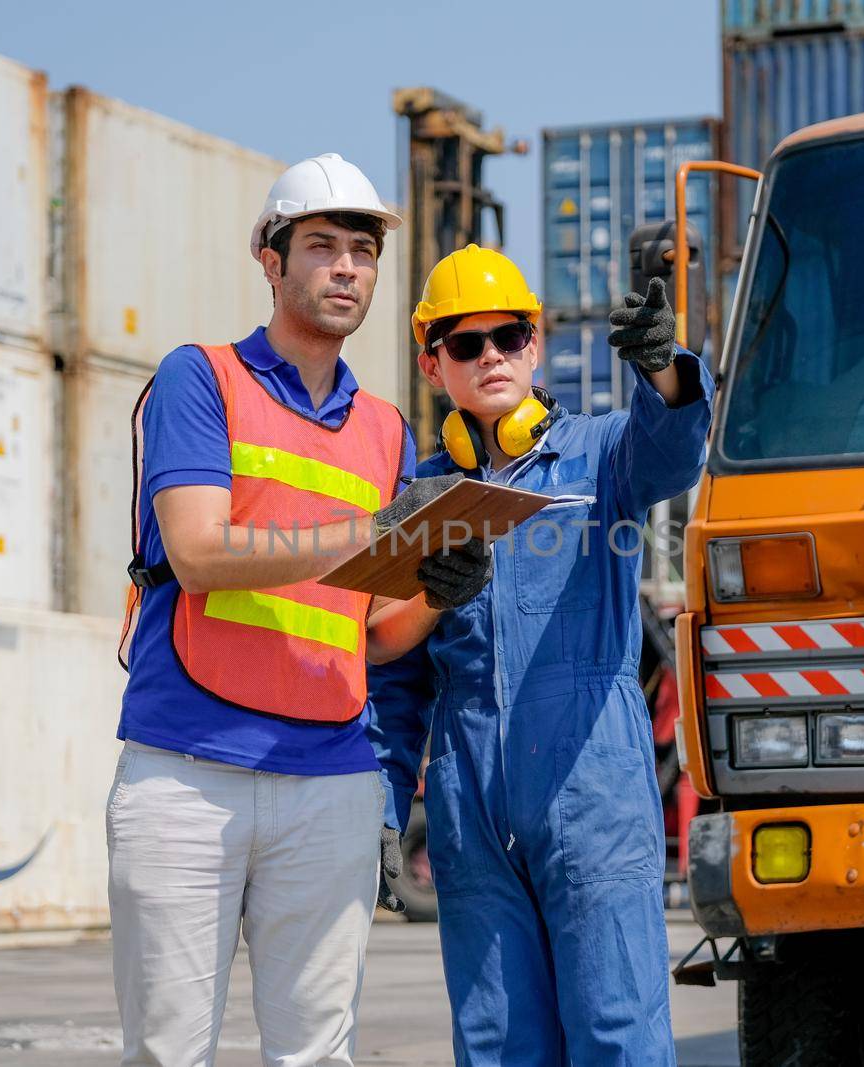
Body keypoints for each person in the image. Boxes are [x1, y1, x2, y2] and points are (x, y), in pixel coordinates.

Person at [107, 153, 491, 1067]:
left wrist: (436, 596)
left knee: (319, 1055)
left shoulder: (388, 428)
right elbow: (198, 553)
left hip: (331, 775)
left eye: (362, 250)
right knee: (168, 1053)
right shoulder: (201, 379)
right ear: (270, 260)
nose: (347, 267)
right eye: (321, 245)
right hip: (187, 770)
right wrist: (370, 531)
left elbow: (373, 628)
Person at [367, 245, 715, 1065]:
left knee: (617, 1034)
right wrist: (384, 807)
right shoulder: (422, 499)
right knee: (498, 1045)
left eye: (509, 335)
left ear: (535, 343)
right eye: (464, 341)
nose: (489, 354)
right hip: (469, 804)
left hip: (590, 788)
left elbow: (672, 450)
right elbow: (394, 671)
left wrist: (663, 368)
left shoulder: (599, 456)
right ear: (431, 361)